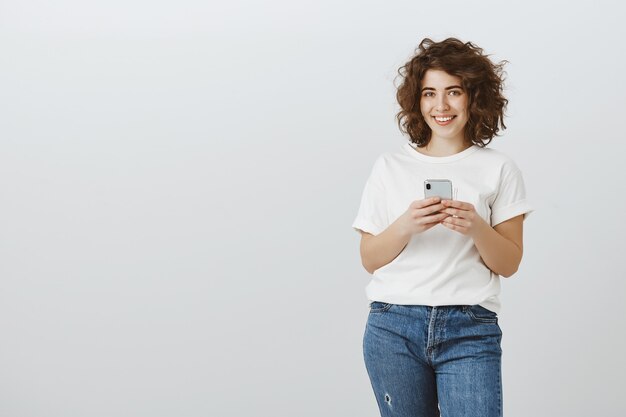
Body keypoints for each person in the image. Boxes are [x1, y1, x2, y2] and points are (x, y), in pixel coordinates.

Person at [351, 37, 534, 417]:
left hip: (469, 327)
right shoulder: (389, 167)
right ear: (416, 102)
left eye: (454, 92)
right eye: (429, 93)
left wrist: (476, 228)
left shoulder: (499, 168)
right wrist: (406, 225)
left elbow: (509, 263)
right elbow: (369, 259)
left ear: (474, 97)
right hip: (393, 325)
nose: (441, 106)